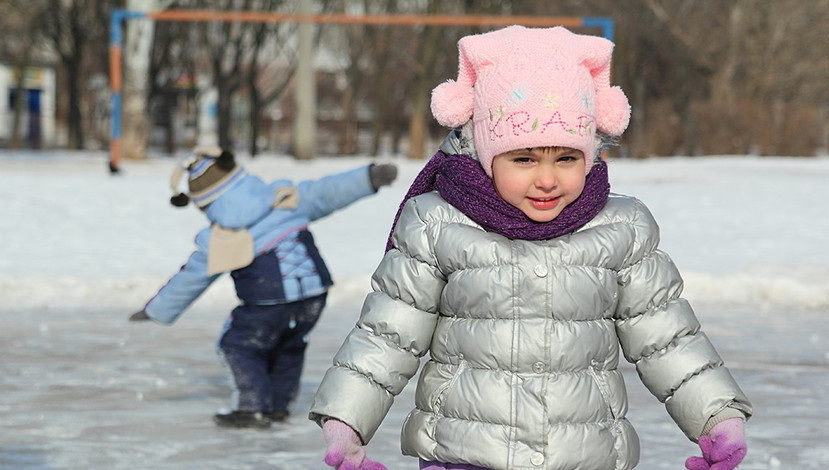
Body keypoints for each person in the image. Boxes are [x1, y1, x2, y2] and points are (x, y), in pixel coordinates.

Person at [309, 26, 752, 470]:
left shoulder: (621, 227)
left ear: (591, 155)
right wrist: (346, 421)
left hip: (582, 454)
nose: (546, 179)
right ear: (486, 154)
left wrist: (717, 415)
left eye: (566, 158)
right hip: (465, 451)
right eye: (523, 159)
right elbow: (388, 333)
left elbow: (667, 337)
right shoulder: (438, 222)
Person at [129, 146, 398, 429]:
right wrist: (369, 177)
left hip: (267, 298)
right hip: (314, 294)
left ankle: (252, 407)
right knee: (290, 346)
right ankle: (279, 406)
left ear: (206, 203)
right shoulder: (285, 200)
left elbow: (190, 278)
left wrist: (155, 310)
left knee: (237, 345)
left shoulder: (222, 236)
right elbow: (327, 191)